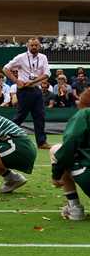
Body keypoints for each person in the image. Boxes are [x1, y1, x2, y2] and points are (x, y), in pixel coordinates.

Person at [3, 37, 52, 149]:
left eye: (36, 45)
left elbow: (47, 74)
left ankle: (41, 142)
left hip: (36, 90)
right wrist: (16, 81)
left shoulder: (43, 57)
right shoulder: (21, 57)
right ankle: (5, 135)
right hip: (24, 90)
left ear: (39, 46)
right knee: (21, 116)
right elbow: (6, 68)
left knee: (40, 116)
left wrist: (33, 82)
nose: (34, 47)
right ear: (28, 46)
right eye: (32, 45)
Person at [50, 89, 90, 220]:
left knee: (57, 150)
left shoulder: (85, 113)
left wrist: (56, 174)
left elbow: (70, 143)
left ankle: (74, 208)